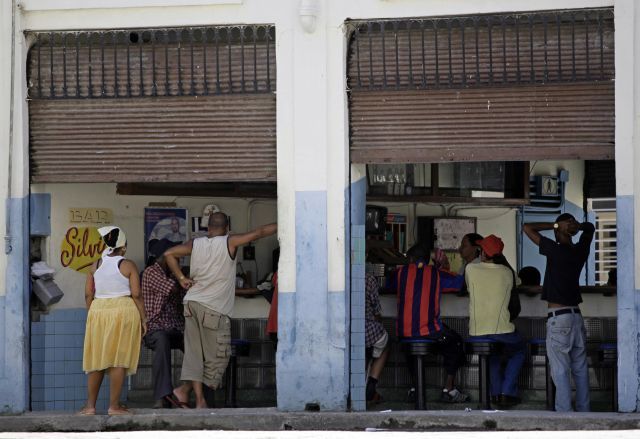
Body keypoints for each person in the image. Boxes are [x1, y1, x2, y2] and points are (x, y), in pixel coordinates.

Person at [164, 212, 277, 409]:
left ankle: (187, 393)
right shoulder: (230, 242)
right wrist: (286, 222)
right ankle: (198, 399)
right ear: (227, 228)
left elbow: (168, 254)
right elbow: (259, 232)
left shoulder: (195, 243)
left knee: (194, 355)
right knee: (219, 357)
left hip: (191, 303)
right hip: (213, 309)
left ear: (208, 228)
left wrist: (182, 278)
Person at [523, 213, 595, 412]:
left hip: (559, 318)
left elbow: (527, 227)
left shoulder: (554, 250)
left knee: (561, 370)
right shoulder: (580, 250)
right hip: (576, 317)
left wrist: (558, 225)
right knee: (580, 369)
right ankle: (584, 411)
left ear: (557, 232)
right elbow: (590, 229)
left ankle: (564, 414)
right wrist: (575, 227)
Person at [80, 226, 146, 415]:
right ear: (123, 247)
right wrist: (144, 318)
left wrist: (91, 314)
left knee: (97, 358)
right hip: (123, 310)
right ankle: (114, 406)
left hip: (98, 310)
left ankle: (90, 407)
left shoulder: (95, 265)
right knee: (118, 358)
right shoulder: (128, 265)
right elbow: (137, 294)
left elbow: (88, 293)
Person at [395, 244, 469, 403]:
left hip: (403, 333)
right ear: (428, 260)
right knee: (456, 342)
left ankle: (415, 388)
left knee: (411, 345)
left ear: (410, 259)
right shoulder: (436, 274)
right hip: (430, 331)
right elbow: (460, 283)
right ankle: (448, 389)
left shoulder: (399, 273)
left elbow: (388, 286)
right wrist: (444, 267)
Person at [465, 234, 526, 408]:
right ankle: (506, 392)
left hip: (476, 333)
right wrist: (503, 262)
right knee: (519, 350)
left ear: (483, 253)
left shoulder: (470, 269)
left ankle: (495, 394)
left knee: (493, 356)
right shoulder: (507, 273)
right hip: (503, 331)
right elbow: (519, 281)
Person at [141, 240, 192, 409]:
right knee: (162, 341)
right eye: (175, 257)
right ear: (165, 257)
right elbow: (175, 289)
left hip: (176, 327)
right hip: (155, 328)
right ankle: (162, 396)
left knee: (196, 345)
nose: (178, 260)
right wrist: (184, 277)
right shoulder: (151, 272)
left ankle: (190, 392)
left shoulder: (173, 274)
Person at [365, 273, 390, 404]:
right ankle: (372, 383)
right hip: (368, 331)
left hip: (345, 332)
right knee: (385, 344)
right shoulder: (368, 278)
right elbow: (376, 309)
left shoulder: (341, 275)